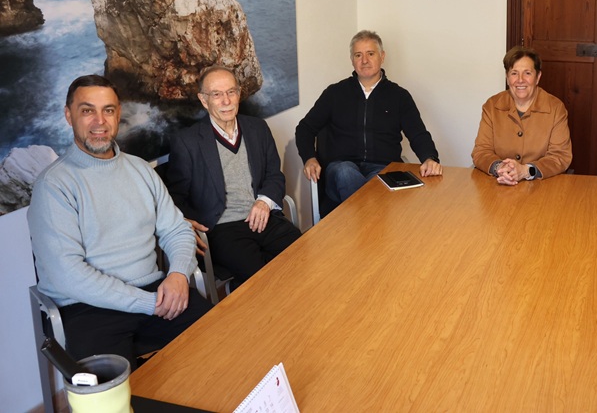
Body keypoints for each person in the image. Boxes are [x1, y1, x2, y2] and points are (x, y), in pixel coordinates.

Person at [28, 75, 212, 367]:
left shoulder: (141, 170)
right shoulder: (53, 186)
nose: (99, 121)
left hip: (155, 289)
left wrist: (178, 274)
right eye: (87, 110)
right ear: (69, 115)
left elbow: (177, 230)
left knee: (222, 344)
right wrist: (149, 304)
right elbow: (69, 275)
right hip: (88, 308)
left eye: (108, 110)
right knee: (116, 390)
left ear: (118, 115)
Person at [165, 66, 301, 287]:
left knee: (303, 256)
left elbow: (274, 175)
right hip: (223, 228)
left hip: (264, 215)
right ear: (203, 100)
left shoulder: (258, 128)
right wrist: (183, 221)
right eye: (216, 94)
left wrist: (264, 202)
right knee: (265, 279)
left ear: (239, 94)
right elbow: (175, 197)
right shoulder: (187, 141)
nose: (226, 101)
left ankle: (241, 289)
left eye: (231, 92)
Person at [296, 30, 442, 204]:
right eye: (358, 55)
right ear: (352, 60)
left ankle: (363, 216)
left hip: (382, 168)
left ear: (382, 56)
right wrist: (309, 158)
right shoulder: (335, 93)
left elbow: (418, 134)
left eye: (370, 54)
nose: (364, 60)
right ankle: (368, 215)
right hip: (340, 169)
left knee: (377, 182)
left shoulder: (399, 96)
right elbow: (305, 128)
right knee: (346, 173)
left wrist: (429, 158)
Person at [471, 46, 571, 184]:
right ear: (507, 77)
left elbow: (560, 156)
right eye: (514, 73)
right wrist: (500, 167)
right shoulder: (491, 106)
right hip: (499, 183)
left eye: (527, 73)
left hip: (541, 186)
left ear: (538, 77)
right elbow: (481, 151)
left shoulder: (555, 108)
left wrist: (526, 170)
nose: (520, 80)